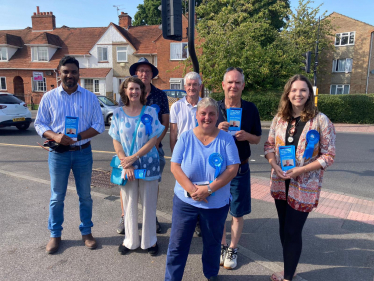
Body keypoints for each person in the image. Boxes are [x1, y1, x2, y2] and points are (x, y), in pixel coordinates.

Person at [264, 74, 336, 281]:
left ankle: (287, 277)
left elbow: (328, 156)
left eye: (303, 90)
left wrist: (300, 170)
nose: (298, 94)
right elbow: (269, 146)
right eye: (294, 90)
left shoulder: (320, 121)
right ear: (288, 93)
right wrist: (274, 164)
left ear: (309, 94)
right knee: (284, 229)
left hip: (304, 185)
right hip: (280, 181)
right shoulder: (279, 119)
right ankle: (290, 269)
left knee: (293, 231)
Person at [34, 56, 105, 254]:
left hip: (83, 152)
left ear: (79, 73)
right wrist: (55, 136)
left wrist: (78, 137)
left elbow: (99, 125)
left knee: (86, 196)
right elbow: (39, 124)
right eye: (65, 71)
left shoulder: (90, 97)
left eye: (73, 71)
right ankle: (55, 235)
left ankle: (87, 232)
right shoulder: (49, 97)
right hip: (58, 155)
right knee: (57, 197)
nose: (69, 75)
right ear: (59, 73)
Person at [165, 97, 240, 281]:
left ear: (217, 116)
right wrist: (193, 190)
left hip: (215, 204)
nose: (207, 117)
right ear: (197, 116)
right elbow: (175, 166)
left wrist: (208, 190)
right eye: (203, 114)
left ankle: (211, 275)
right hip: (186, 202)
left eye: (211, 114)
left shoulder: (226, 140)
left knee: (213, 244)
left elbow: (233, 169)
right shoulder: (185, 137)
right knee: (177, 245)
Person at [109, 76, 165, 256]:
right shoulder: (117, 113)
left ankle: (150, 241)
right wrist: (125, 162)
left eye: (137, 89)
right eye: (130, 88)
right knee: (129, 202)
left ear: (142, 92)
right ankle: (130, 241)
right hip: (127, 166)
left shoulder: (150, 112)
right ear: (125, 91)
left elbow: (153, 139)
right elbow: (116, 140)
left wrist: (134, 157)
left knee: (149, 203)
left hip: (148, 163)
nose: (134, 92)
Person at [116, 57, 169, 235]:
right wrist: (126, 158)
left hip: (153, 150)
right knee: (127, 188)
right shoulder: (124, 100)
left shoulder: (160, 96)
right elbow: (119, 131)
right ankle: (126, 217)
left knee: (152, 186)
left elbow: (165, 122)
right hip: (128, 155)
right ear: (135, 74)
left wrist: (155, 143)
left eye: (147, 71)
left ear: (152, 74)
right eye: (141, 71)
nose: (144, 73)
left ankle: (150, 218)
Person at [216, 67, 262, 269]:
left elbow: (258, 138)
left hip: (240, 169)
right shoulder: (214, 108)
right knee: (217, 211)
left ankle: (232, 248)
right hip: (217, 169)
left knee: (236, 213)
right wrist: (216, 130)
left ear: (243, 85)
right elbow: (201, 136)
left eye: (237, 82)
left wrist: (246, 136)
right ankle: (221, 245)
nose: (233, 86)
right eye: (230, 82)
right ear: (223, 85)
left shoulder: (251, 109)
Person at [169, 71, 203, 236]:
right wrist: (175, 156)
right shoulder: (176, 106)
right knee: (185, 189)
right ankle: (186, 222)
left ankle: (199, 221)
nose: (192, 87)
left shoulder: (206, 105)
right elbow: (173, 133)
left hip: (203, 154)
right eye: (189, 85)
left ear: (199, 86)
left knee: (200, 186)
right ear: (184, 87)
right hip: (183, 154)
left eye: (195, 84)